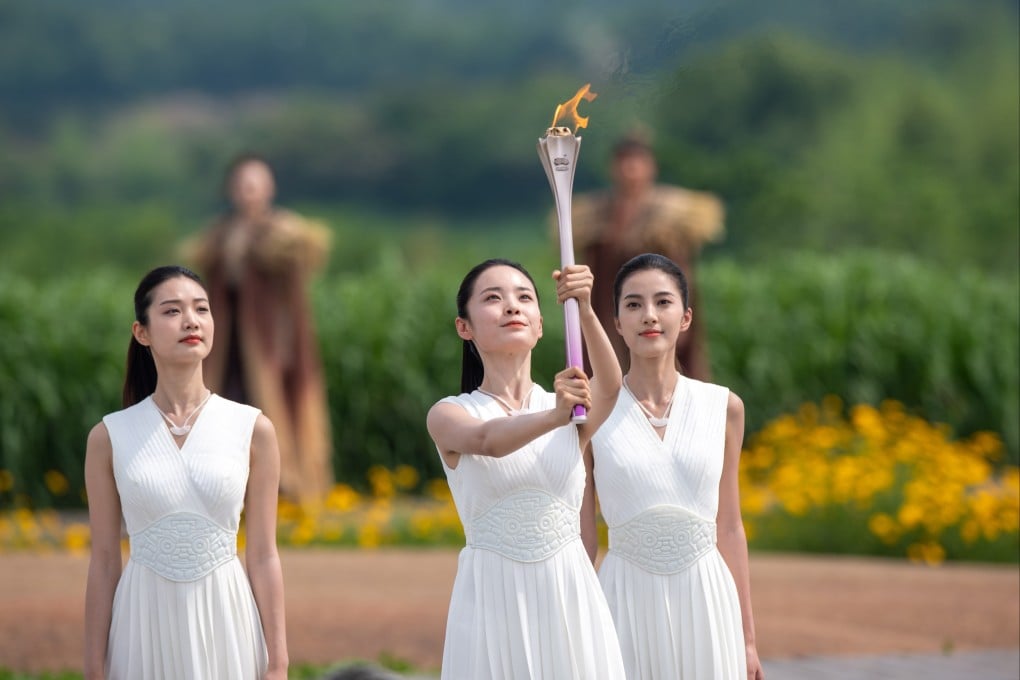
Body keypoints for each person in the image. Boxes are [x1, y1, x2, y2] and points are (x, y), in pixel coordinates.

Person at [83, 265, 288, 679]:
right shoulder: (110, 436)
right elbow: (105, 561)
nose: (191, 321)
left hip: (227, 619)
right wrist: (93, 665)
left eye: (201, 309)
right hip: (142, 621)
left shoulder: (253, 429)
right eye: (172, 311)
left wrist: (278, 662)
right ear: (142, 332)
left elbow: (264, 555)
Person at [425, 259, 626, 679]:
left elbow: (609, 386)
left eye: (524, 298)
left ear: (539, 325)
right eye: (493, 299)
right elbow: (488, 442)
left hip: (569, 595)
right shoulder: (450, 414)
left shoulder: (570, 407)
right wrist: (556, 415)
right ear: (465, 327)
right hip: (492, 599)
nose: (511, 307)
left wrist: (584, 308)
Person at [590, 253, 763, 679]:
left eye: (662, 302)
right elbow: (583, 539)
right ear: (616, 323)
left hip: (707, 598)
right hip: (623, 597)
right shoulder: (590, 412)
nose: (649, 315)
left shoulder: (724, 407)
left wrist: (747, 641)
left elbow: (729, 527)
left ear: (685, 318)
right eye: (633, 304)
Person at [184, 152, 333, 506]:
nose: (248, 192)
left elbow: (294, 286)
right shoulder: (219, 237)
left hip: (272, 344)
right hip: (227, 347)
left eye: (255, 184)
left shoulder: (285, 234)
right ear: (232, 190)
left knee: (275, 410)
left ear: (269, 188)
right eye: (241, 185)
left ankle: (289, 486)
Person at [571, 132, 725, 380]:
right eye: (623, 161)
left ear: (651, 166)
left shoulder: (670, 213)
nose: (630, 169)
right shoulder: (596, 215)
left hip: (655, 311)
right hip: (610, 312)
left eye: (637, 161)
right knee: (607, 381)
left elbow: (681, 271)